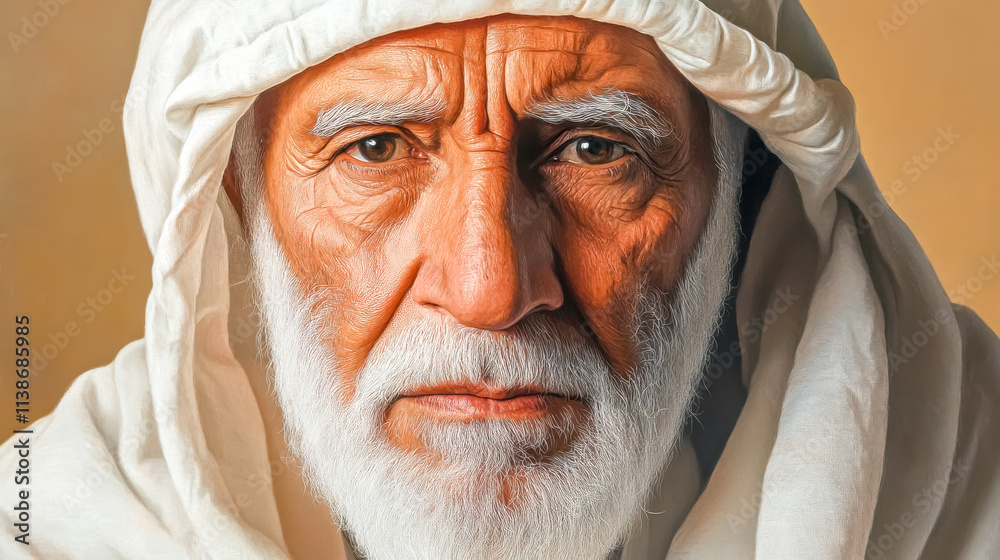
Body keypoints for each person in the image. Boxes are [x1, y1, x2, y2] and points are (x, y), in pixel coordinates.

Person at [2, 1, 998, 559]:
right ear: (234, 202)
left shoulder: (968, 481)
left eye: (596, 149)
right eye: (377, 146)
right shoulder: (46, 531)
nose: (489, 286)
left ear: (739, 190)